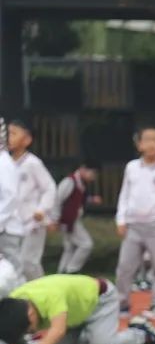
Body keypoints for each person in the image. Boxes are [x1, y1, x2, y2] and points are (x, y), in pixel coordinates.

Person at [0, 274, 155, 344]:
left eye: (29, 328)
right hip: (72, 314)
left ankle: (141, 333)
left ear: (30, 314)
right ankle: (93, 335)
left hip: (99, 301)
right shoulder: (14, 301)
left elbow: (58, 329)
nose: (31, 331)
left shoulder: (49, 295)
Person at [115, 126, 155, 321]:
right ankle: (122, 304)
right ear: (139, 144)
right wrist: (121, 219)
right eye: (147, 140)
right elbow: (124, 195)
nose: (151, 144)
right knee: (125, 267)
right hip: (133, 225)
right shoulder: (132, 167)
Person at [8, 118, 56, 282]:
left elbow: (49, 187)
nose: (9, 137)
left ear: (27, 140)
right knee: (14, 264)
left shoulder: (33, 163)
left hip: (32, 222)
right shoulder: (5, 164)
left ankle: (44, 296)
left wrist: (42, 210)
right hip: (13, 223)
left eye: (13, 134)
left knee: (29, 262)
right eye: (7, 133)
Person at [51, 158, 101, 274]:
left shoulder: (80, 183)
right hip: (68, 221)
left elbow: (78, 200)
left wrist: (92, 200)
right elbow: (57, 200)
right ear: (83, 169)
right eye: (92, 173)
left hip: (72, 219)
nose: (93, 177)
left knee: (70, 248)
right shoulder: (70, 181)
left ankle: (62, 273)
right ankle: (72, 270)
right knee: (86, 244)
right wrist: (54, 219)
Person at [0, 116, 24, 278]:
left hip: (6, 228)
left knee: (13, 270)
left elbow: (10, 198)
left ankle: (20, 302)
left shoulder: (4, 163)